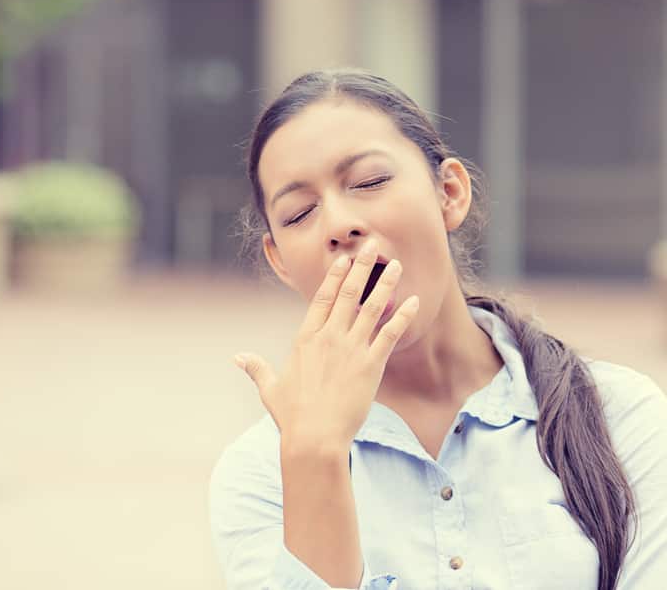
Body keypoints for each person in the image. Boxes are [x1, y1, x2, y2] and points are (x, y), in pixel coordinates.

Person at [208, 69, 667, 590]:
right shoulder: (261, 474)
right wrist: (316, 459)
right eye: (299, 213)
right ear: (280, 262)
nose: (338, 224)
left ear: (449, 192)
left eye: (370, 181)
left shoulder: (620, 417)